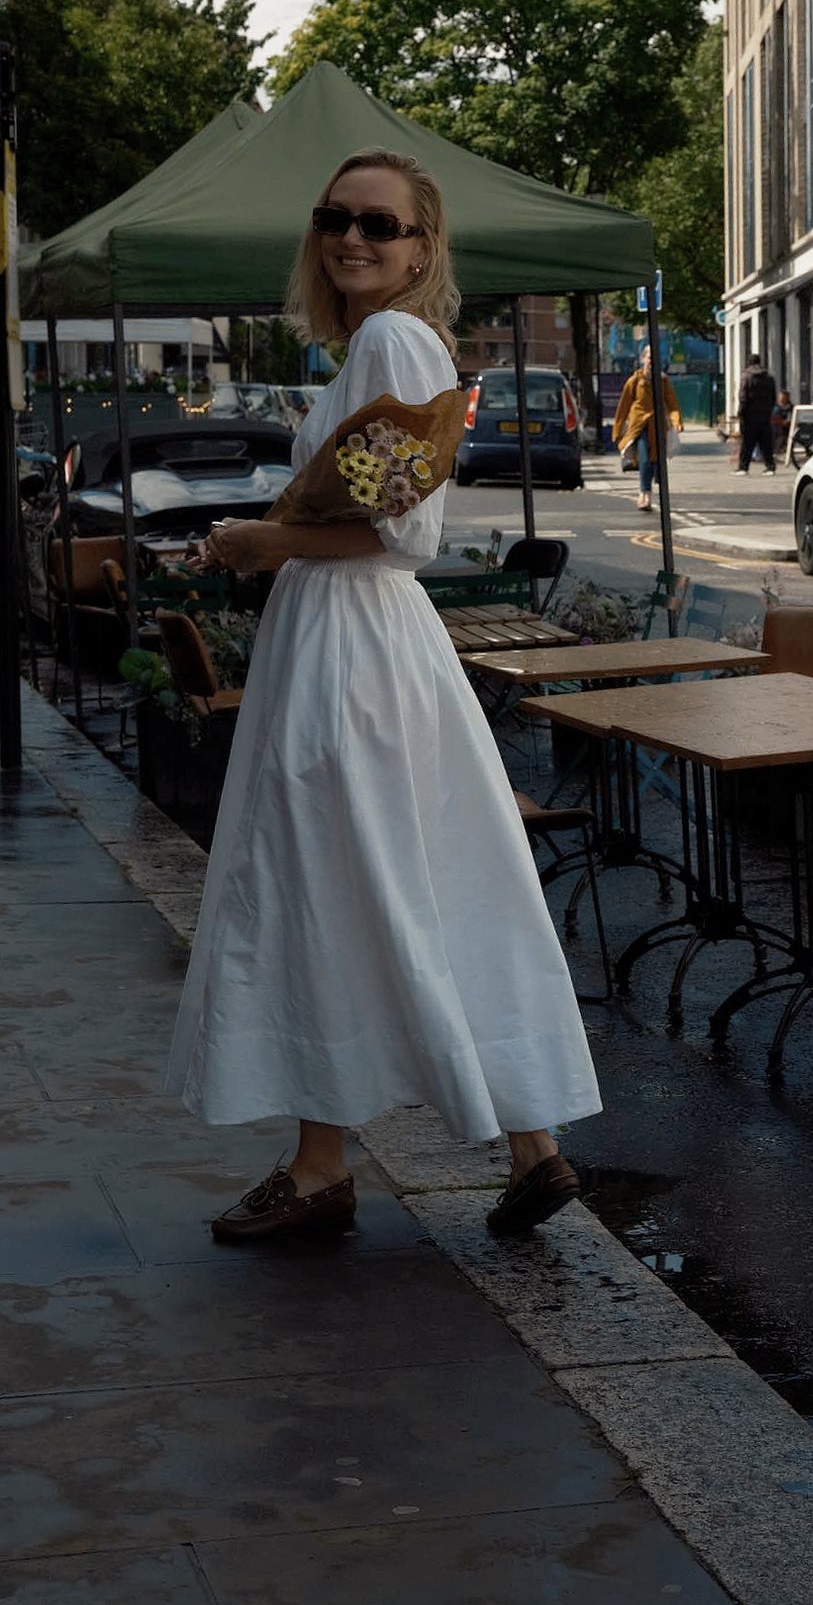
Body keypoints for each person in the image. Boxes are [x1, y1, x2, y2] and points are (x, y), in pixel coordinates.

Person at [165, 146, 600, 1244]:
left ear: (420, 247)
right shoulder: (380, 345)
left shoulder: (394, 340)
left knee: (327, 883)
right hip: (359, 641)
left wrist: (261, 538)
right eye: (334, 218)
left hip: (350, 649)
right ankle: (521, 1145)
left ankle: (328, 1167)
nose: (352, 236)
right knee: (408, 879)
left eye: (379, 223)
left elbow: (398, 530)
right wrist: (268, 541)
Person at [612, 347, 682, 514]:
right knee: (644, 460)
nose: (652, 361)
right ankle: (645, 494)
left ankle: (650, 488)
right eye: (649, 357)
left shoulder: (663, 381)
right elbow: (623, 407)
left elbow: (672, 404)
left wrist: (676, 421)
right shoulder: (634, 381)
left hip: (657, 427)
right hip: (639, 427)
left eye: (655, 357)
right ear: (643, 359)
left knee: (655, 461)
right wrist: (617, 430)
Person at [737, 355, 779, 474]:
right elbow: (773, 397)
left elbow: (743, 397)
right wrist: (768, 410)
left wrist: (741, 412)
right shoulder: (769, 377)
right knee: (765, 442)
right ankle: (770, 466)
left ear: (749, 363)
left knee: (747, 442)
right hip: (765, 415)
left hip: (749, 415)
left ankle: (743, 467)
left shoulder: (746, 376)